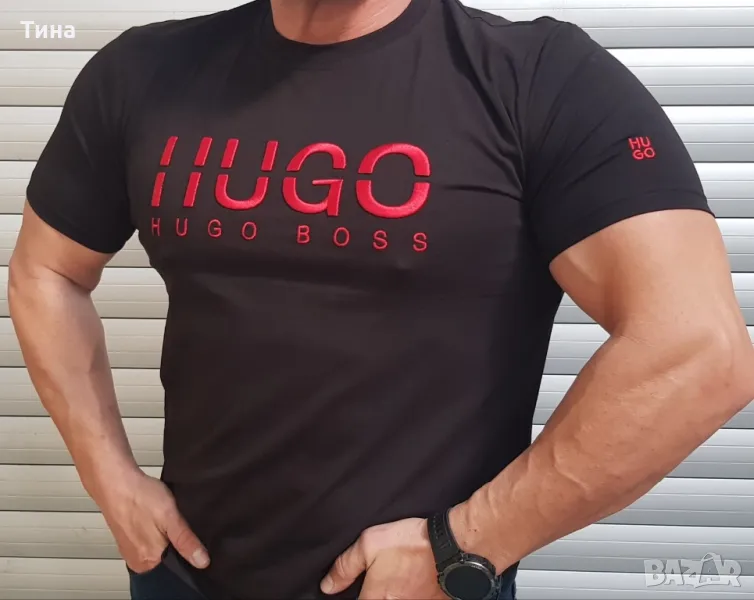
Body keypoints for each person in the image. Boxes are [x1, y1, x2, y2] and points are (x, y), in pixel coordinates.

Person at [8, 0, 754, 599]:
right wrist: (110, 480)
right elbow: (46, 272)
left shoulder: (540, 79)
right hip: (181, 577)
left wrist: (466, 546)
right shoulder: (143, 72)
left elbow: (697, 352)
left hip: (418, 587)